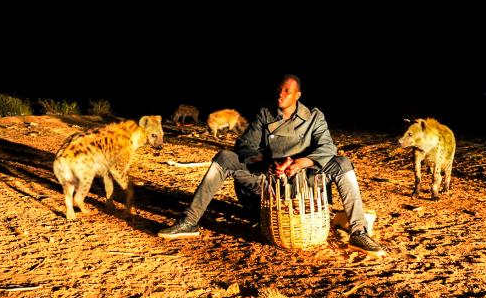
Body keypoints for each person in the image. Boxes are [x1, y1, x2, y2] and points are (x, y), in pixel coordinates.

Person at [158, 74, 385, 258]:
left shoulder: (314, 117)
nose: (281, 93)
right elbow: (244, 145)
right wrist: (268, 163)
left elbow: (327, 148)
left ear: (298, 95)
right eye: (279, 89)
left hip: (304, 181)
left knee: (342, 162)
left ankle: (359, 232)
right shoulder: (265, 116)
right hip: (269, 181)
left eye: (287, 90)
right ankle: (189, 221)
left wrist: (300, 162)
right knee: (225, 157)